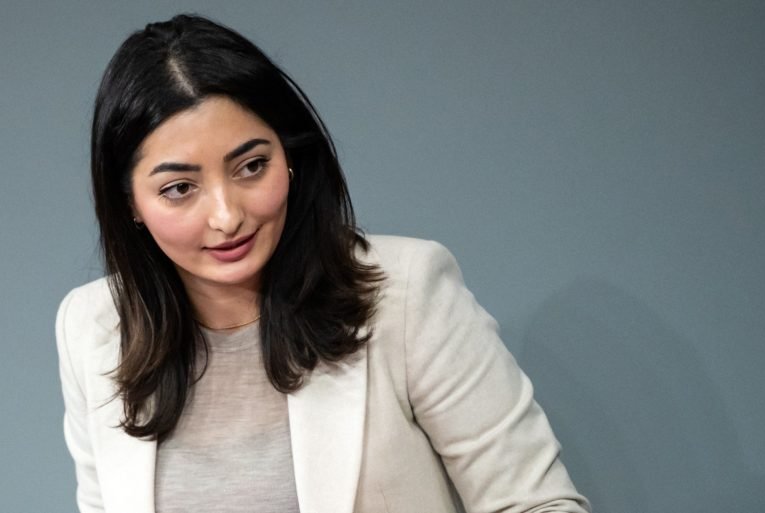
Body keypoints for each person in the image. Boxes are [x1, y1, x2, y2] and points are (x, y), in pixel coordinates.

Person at [55, 14, 591, 513]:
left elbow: (538, 504)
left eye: (251, 166)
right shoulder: (91, 328)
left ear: (290, 159)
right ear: (130, 203)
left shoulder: (407, 294)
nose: (226, 216)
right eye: (179, 188)